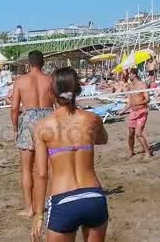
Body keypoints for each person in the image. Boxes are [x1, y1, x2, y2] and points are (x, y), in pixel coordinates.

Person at [32, 67, 109, 242]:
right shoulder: (92, 119)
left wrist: (38, 215)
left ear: (52, 91)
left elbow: (42, 174)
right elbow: (103, 139)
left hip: (64, 199)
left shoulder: (43, 127)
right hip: (94, 197)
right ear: (77, 90)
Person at [11, 50, 55, 217]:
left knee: (26, 168)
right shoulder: (50, 80)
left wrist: (16, 128)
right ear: (43, 63)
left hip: (28, 117)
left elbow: (15, 108)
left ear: (28, 63)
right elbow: (58, 105)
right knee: (52, 166)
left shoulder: (21, 81)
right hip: (48, 117)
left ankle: (30, 208)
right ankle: (52, 204)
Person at [118, 69, 152, 159]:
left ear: (134, 75)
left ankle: (147, 152)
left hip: (142, 111)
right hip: (133, 112)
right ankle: (131, 151)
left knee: (138, 133)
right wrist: (123, 110)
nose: (128, 76)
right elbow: (129, 103)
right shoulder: (130, 87)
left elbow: (147, 99)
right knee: (131, 134)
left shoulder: (142, 85)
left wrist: (139, 103)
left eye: (129, 74)